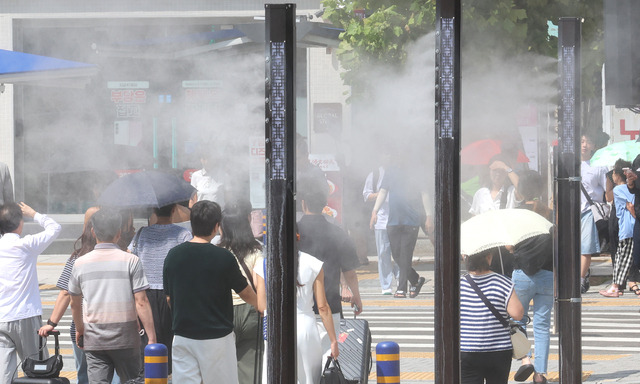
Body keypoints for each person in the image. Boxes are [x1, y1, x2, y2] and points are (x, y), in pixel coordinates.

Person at [163, 200, 258, 384]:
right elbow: (245, 292)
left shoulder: (173, 256)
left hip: (183, 336)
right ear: (217, 226)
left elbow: (169, 298)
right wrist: (260, 304)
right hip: (217, 338)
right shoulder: (223, 257)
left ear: (192, 224)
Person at [68, 208, 157, 383]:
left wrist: (80, 329)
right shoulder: (131, 260)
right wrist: (151, 337)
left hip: (94, 339)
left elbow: (74, 303)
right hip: (126, 338)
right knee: (132, 380)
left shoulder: (80, 263)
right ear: (118, 233)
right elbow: (141, 302)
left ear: (93, 232)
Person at [254, 246, 339, 384]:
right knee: (309, 378)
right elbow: (323, 307)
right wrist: (333, 340)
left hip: (276, 327)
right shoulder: (313, 263)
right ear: (297, 236)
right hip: (306, 326)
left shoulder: (263, 264)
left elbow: (262, 307)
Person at [0, 202, 61, 384]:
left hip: (2, 317)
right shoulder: (26, 244)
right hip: (26, 315)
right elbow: (55, 227)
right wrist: (34, 213)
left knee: (4, 372)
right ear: (20, 222)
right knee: (38, 367)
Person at [127, 203, 192, 373]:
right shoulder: (183, 234)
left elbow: (130, 256)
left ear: (154, 211)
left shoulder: (142, 233)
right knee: (173, 341)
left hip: (144, 295)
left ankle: (151, 376)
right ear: (173, 210)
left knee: (149, 342)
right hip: (172, 293)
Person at [298, 184, 363, 331]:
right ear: (324, 205)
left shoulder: (292, 232)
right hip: (330, 305)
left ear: (303, 203)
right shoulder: (338, 234)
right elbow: (350, 272)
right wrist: (356, 296)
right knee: (331, 351)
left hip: (298, 308)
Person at [509, 171, 553, 384]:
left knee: (517, 320)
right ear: (541, 190)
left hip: (522, 275)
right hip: (547, 275)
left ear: (520, 191)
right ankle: (540, 374)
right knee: (543, 326)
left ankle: (526, 360)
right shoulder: (548, 213)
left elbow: (510, 245)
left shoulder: (516, 213)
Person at [460, 248, 524, 384]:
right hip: (498, 350)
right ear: (489, 257)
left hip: (467, 349)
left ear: (465, 258)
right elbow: (518, 314)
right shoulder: (503, 282)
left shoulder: (458, 285)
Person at [370, 159, 431, 298]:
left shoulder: (416, 170)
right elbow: (383, 191)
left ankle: (401, 288)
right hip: (393, 220)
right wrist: (374, 211)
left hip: (412, 220)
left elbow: (424, 193)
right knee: (397, 255)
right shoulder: (390, 170)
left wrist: (429, 216)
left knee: (405, 255)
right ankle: (415, 280)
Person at [218, 201, 263, 384]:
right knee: (250, 369)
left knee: (222, 368)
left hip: (223, 313)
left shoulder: (218, 252)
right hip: (251, 312)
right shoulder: (257, 251)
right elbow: (261, 287)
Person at [468, 155, 521, 277]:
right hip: (485, 246)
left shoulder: (511, 191)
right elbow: (474, 220)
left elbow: (521, 188)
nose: (497, 174)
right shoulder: (481, 193)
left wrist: (506, 167)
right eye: (494, 170)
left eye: (501, 171)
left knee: (505, 279)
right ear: (489, 172)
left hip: (506, 246)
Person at [363, 154, 398, 295]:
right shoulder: (375, 174)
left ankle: (401, 280)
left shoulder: (399, 172)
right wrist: (382, 194)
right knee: (383, 253)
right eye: (385, 155)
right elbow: (366, 195)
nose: (388, 158)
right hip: (382, 220)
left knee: (399, 253)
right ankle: (386, 285)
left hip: (398, 219)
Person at [600, 160, 635, 297]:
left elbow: (630, 206)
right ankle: (616, 286)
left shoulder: (619, 189)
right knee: (621, 258)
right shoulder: (628, 188)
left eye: (613, 172)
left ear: (618, 174)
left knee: (623, 259)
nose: (612, 175)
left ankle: (616, 287)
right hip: (626, 228)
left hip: (627, 227)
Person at [579, 132, 608, 293]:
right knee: (571, 248)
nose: (584, 145)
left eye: (588, 141)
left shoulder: (599, 166)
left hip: (589, 211)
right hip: (570, 211)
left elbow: (607, 190)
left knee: (585, 248)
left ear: (594, 146)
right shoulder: (569, 165)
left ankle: (580, 281)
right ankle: (584, 273)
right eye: (581, 141)